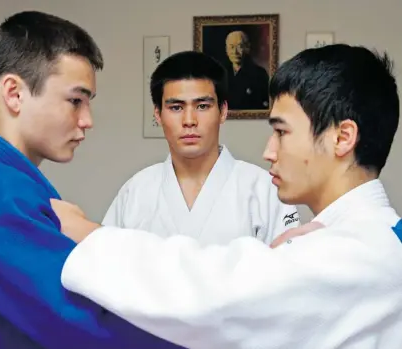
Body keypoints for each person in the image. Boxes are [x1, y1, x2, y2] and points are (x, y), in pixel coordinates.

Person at [55, 44, 402, 349]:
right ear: (158, 115)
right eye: (175, 107)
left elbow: (221, 291)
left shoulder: (355, 251)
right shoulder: (359, 239)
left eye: (281, 131)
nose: (268, 151)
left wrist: (92, 236)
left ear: (342, 138)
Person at [0, 10, 182, 349]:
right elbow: (79, 323)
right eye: (75, 101)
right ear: (14, 93)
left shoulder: (11, 181)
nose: (86, 120)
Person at [103, 50, 300, 246]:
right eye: (176, 108)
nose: (189, 121)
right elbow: (105, 265)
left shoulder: (264, 190)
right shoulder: (135, 193)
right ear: (158, 114)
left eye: (202, 106)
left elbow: (287, 269)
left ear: (223, 111)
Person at [224, 30, 270, 110]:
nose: (235, 52)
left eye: (239, 46)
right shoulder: (220, 73)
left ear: (247, 48)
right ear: (226, 50)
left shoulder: (259, 74)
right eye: (231, 47)